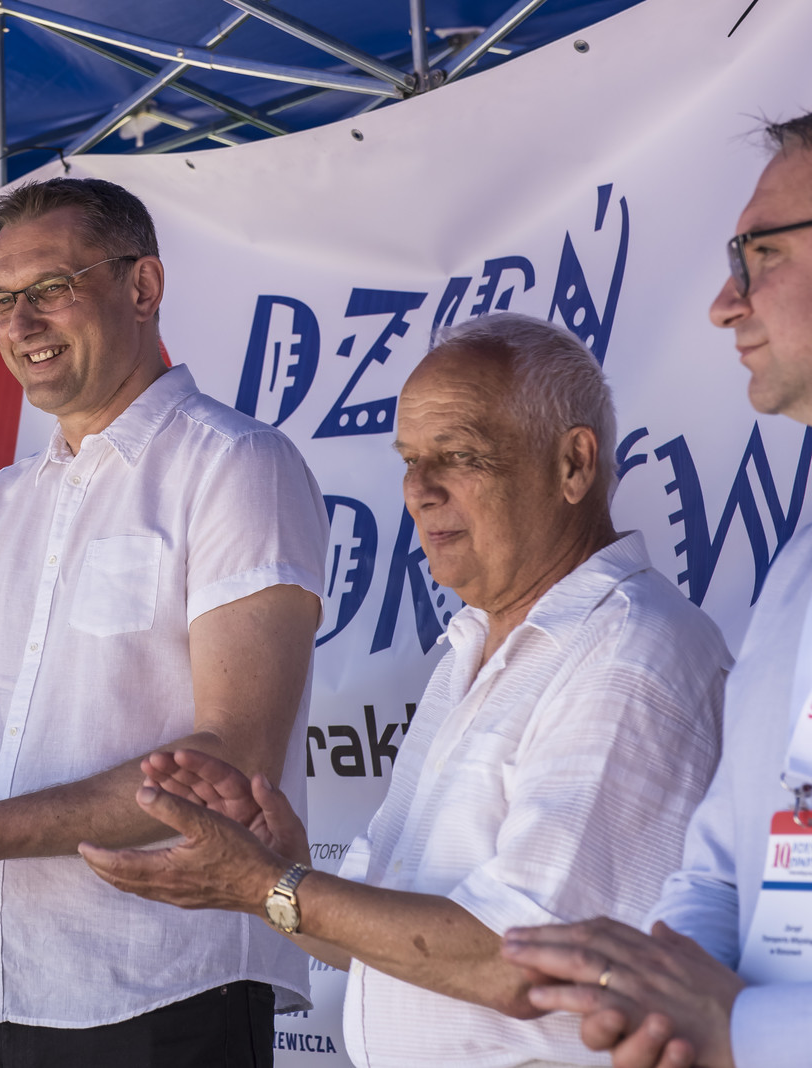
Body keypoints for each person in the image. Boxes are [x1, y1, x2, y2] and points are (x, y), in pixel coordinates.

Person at [80, 312, 733, 1068]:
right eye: (411, 460)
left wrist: (270, 884)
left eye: (457, 456)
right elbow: (380, 946)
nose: (419, 490)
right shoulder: (474, 647)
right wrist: (281, 871)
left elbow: (523, 962)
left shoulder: (629, 650)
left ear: (573, 465)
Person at [0, 177, 330, 1066]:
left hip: (163, 987)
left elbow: (234, 755)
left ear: (142, 286)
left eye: (51, 287)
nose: (20, 322)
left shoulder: (236, 464)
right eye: (2, 299)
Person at [500, 112, 812, 1068]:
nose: (725, 303)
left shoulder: (638, 636)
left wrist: (742, 1029)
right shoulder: (796, 568)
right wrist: (660, 991)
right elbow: (722, 864)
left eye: (761, 253)